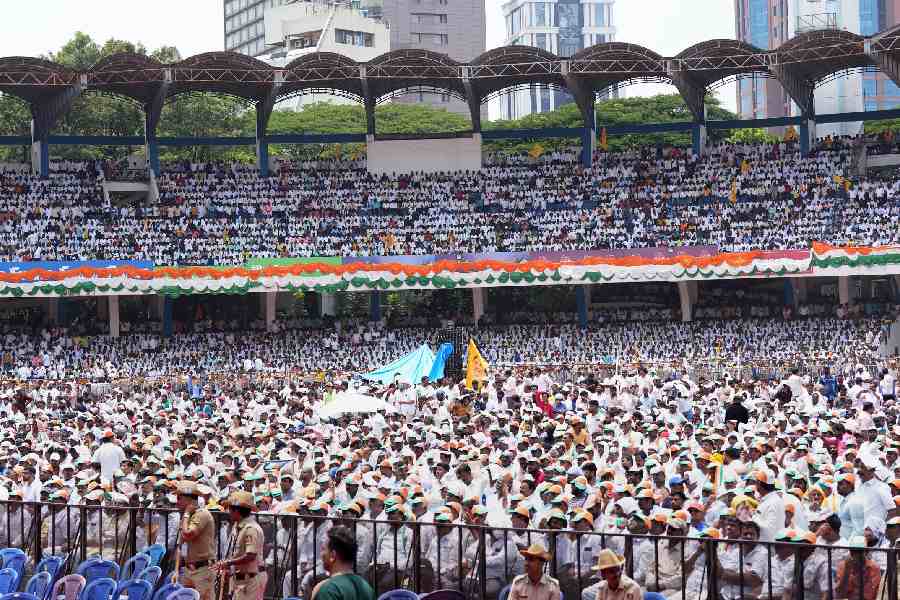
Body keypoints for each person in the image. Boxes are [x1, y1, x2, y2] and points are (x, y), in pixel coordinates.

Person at [213, 491, 267, 600]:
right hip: (239, 578)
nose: (228, 512)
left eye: (230, 509)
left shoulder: (251, 528)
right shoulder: (237, 526)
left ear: (236, 510)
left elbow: (250, 556)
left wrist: (228, 563)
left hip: (251, 579)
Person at [310, 526, 375, 600]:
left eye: (323, 549)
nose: (321, 554)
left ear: (333, 555)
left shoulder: (329, 590)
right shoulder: (367, 587)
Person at [176, 481, 216, 600]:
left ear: (188, 499)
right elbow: (179, 545)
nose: (177, 502)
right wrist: (176, 571)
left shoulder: (202, 514)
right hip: (188, 569)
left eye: (179, 498)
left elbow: (188, 534)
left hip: (203, 569)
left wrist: (187, 514)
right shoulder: (186, 517)